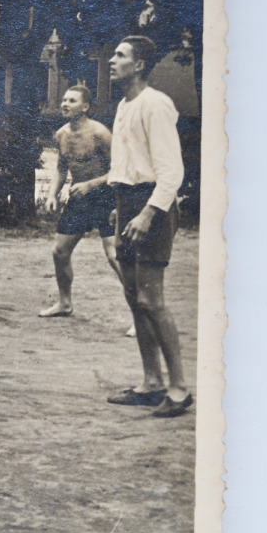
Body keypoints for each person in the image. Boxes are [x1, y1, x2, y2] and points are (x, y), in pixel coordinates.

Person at [103, 36, 191, 417]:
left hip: (152, 206)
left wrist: (147, 213)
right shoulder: (124, 105)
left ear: (139, 65)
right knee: (133, 297)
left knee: (152, 301)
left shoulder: (156, 104)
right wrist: (121, 208)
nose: (112, 60)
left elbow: (171, 171)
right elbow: (127, 162)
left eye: (120, 55)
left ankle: (179, 389)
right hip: (128, 204)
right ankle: (151, 382)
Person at [39, 85, 130, 332]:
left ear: (86, 106)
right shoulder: (61, 134)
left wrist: (90, 184)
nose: (65, 104)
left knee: (114, 256)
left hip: (105, 196)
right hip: (79, 197)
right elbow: (61, 170)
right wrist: (52, 195)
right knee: (60, 252)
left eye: (72, 100)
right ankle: (64, 303)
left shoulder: (100, 133)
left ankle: (139, 316)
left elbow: (119, 169)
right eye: (64, 99)